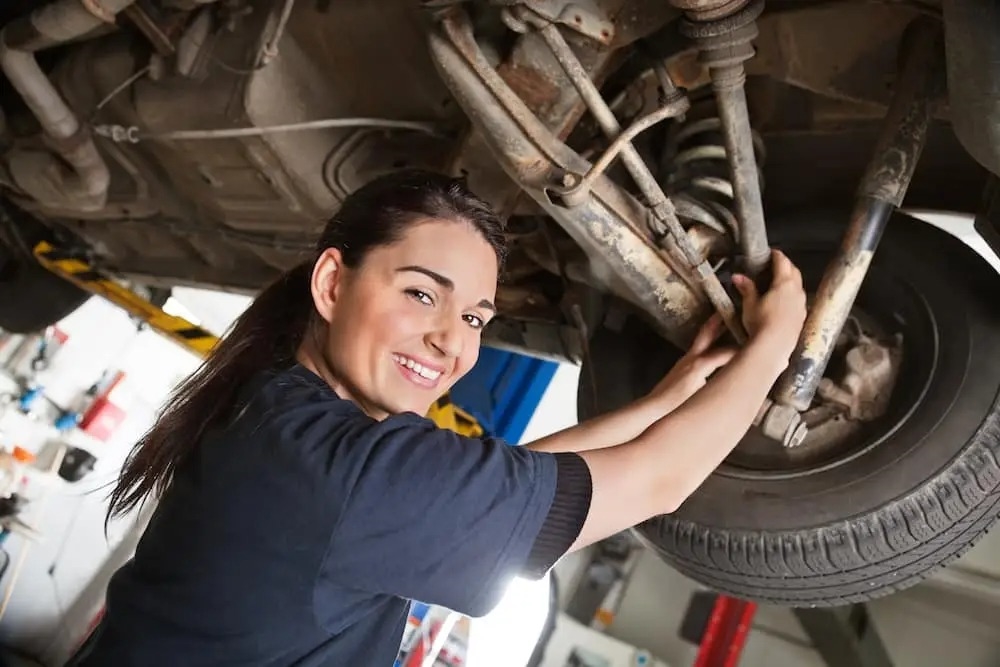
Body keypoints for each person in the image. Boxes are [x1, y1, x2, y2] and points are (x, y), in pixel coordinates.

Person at [66, 169, 806, 666]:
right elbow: (660, 481)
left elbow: (504, 482)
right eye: (422, 293)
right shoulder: (343, 472)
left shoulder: (277, 412)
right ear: (332, 282)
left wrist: (666, 398)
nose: (453, 340)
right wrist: (775, 343)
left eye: (477, 317)